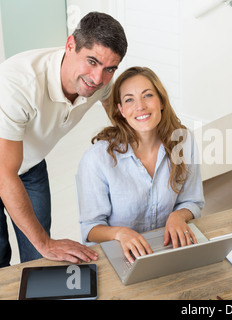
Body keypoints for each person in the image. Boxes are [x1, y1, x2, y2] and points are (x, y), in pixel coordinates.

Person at [0, 12, 128, 267]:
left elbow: (119, 113)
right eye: (91, 61)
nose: (97, 78)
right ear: (70, 46)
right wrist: (46, 243)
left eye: (109, 69)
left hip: (29, 163)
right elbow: (5, 174)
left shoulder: (101, 80)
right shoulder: (18, 85)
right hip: (5, 167)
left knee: (39, 258)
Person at [77, 66, 205, 264]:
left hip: (168, 250)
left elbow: (192, 201)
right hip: (118, 258)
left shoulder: (184, 142)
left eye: (147, 95)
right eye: (129, 99)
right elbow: (91, 228)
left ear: (161, 101)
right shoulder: (97, 159)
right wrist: (120, 233)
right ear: (121, 110)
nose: (140, 106)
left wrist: (178, 216)